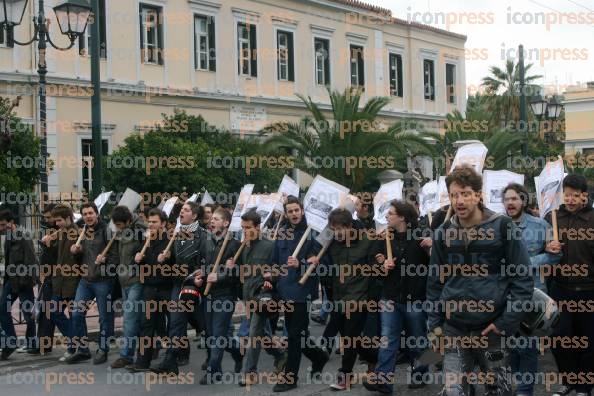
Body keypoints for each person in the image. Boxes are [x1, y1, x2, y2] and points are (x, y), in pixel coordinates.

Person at [426, 165, 533, 396]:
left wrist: (505, 323)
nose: (460, 200)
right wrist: (434, 326)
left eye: (465, 193)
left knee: (500, 391)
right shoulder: (443, 233)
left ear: (478, 195)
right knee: (454, 392)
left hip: (491, 330)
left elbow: (523, 279)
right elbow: (434, 282)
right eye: (455, 195)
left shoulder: (503, 227)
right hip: (454, 327)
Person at [364, 201, 430, 394]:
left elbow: (436, 262)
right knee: (387, 339)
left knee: (419, 340)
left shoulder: (421, 236)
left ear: (402, 217)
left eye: (391, 214)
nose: (387, 217)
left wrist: (431, 248)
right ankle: (383, 380)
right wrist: (382, 265)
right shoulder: (384, 238)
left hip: (416, 298)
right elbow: (371, 263)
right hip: (390, 297)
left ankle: (421, 372)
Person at [503, 183, 561, 396]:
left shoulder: (541, 226)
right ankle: (510, 386)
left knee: (527, 346)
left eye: (514, 199)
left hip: (534, 295)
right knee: (509, 346)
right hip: (505, 295)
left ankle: (524, 391)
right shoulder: (496, 226)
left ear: (524, 201)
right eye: (507, 199)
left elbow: (555, 256)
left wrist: (528, 262)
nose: (510, 203)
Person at [271, 196, 330, 392]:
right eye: (290, 211)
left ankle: (290, 378)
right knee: (300, 334)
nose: (294, 214)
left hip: (302, 290)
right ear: (286, 214)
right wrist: (270, 277)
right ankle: (318, 356)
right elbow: (275, 261)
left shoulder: (312, 233)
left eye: (297, 210)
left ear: (302, 211)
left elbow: (318, 263)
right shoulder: (281, 233)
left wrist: (302, 264)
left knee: (295, 336)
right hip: (284, 290)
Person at [544, 174, 594, 396]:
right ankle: (568, 380)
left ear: (585, 195)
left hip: (589, 291)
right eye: (567, 194)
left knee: (588, 341)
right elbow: (538, 249)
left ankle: (584, 386)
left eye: (576, 195)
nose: (571, 199)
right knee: (559, 338)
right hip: (560, 289)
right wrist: (547, 247)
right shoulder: (552, 217)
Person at [152, 201, 213, 375]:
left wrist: (201, 276)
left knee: (203, 324)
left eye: (186, 210)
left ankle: (212, 357)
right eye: (181, 210)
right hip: (179, 285)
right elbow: (176, 261)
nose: (182, 213)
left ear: (194, 216)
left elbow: (207, 262)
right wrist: (167, 257)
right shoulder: (177, 235)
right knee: (176, 323)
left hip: (196, 287)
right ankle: (170, 362)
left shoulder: (203, 236)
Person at [325, 208, 378, 391]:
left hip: (359, 298)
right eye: (334, 229)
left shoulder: (367, 241)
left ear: (349, 226)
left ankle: (345, 376)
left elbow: (375, 273)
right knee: (350, 338)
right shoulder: (332, 243)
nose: (337, 233)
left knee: (349, 338)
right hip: (339, 298)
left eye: (340, 229)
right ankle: (373, 358)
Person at [239, 210, 287, 387]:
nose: (245, 231)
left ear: (258, 227)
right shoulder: (244, 246)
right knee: (262, 335)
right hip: (248, 297)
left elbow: (279, 270)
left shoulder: (270, 246)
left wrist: (271, 280)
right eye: (243, 228)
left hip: (263, 298)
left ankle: (249, 372)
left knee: (253, 335)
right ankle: (281, 354)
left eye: (248, 228)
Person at [67, 202, 118, 365]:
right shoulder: (83, 231)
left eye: (90, 213)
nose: (88, 216)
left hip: (103, 281)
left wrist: (105, 261)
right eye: (85, 214)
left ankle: (103, 349)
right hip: (85, 280)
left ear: (97, 214)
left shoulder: (107, 231)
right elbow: (81, 257)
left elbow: (116, 257)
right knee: (76, 314)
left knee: (104, 317)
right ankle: (83, 350)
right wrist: (76, 252)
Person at [199, 207, 243, 384]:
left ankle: (213, 371)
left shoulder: (234, 245)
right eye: (212, 219)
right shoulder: (206, 241)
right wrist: (199, 277)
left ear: (226, 223)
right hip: (207, 294)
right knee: (213, 334)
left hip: (225, 295)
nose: (212, 221)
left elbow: (238, 273)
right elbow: (201, 264)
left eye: (216, 219)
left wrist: (221, 276)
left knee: (217, 334)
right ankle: (237, 351)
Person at [127, 208, 173, 372]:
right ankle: (142, 362)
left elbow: (178, 264)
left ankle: (180, 355)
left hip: (167, 288)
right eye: (150, 222)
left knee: (173, 324)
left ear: (163, 223)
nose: (151, 225)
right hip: (149, 288)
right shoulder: (147, 240)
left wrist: (168, 259)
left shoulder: (170, 240)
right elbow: (136, 259)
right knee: (146, 324)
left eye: (154, 222)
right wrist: (137, 258)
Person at [110, 205, 147, 368]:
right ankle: (149, 348)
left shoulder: (140, 230)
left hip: (136, 280)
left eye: (120, 224)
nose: (117, 227)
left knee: (129, 319)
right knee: (135, 318)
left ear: (128, 220)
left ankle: (126, 355)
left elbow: (146, 246)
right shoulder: (121, 231)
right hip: (124, 279)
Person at [0, 209, 38, 359]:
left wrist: (27, 281)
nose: (1, 228)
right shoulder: (8, 237)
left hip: (23, 282)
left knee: (29, 315)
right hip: (11, 281)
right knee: (2, 309)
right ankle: (10, 342)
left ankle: (32, 343)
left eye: (3, 225)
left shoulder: (24, 236)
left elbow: (31, 260)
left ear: (11, 222)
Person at [49, 204, 81, 362]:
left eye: (59, 220)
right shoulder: (61, 233)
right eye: (56, 221)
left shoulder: (77, 234)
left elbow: (81, 257)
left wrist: (79, 250)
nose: (57, 224)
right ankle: (75, 342)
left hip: (72, 282)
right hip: (60, 282)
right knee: (55, 311)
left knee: (75, 316)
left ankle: (74, 346)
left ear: (68, 218)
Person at [30, 203, 58, 356]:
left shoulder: (61, 232)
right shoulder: (49, 230)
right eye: (45, 217)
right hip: (46, 275)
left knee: (50, 312)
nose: (47, 220)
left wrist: (48, 246)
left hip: (54, 277)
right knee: (45, 311)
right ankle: (43, 343)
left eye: (49, 217)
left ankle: (44, 344)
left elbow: (58, 256)